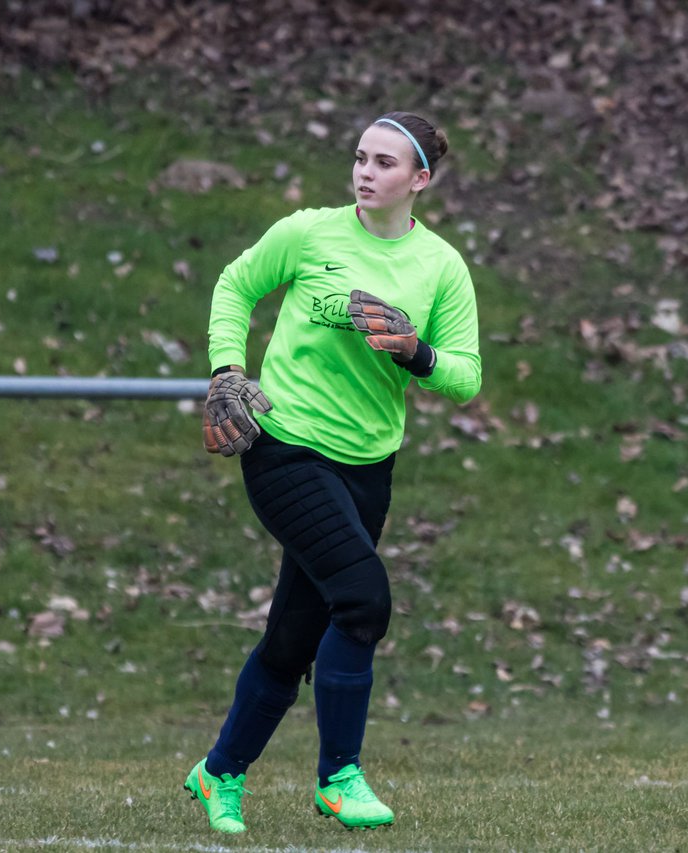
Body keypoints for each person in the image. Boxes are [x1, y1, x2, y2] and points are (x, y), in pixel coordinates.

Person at [183, 111, 481, 833]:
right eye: (359, 158)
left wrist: (416, 353)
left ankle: (217, 772)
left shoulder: (440, 266)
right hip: (284, 447)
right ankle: (339, 777)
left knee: (292, 640)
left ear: (420, 180)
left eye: (384, 163)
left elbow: (466, 377)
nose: (365, 172)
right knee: (364, 600)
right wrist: (228, 369)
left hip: (369, 465)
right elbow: (234, 284)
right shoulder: (309, 232)